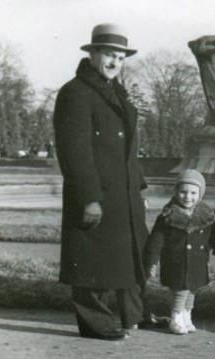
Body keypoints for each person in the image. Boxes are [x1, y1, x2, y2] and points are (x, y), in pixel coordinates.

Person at [53, 23, 149, 341]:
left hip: (123, 193)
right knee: (91, 260)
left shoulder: (116, 93)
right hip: (97, 194)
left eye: (120, 58)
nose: (115, 63)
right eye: (109, 55)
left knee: (125, 256)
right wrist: (89, 197)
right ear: (93, 54)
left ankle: (135, 316)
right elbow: (74, 152)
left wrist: (138, 187)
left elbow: (127, 148)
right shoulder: (75, 93)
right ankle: (97, 323)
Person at [143, 170, 215, 335]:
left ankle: (186, 315)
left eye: (193, 193)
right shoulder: (168, 215)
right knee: (181, 290)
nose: (188, 197)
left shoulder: (205, 215)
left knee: (192, 288)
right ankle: (176, 316)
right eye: (183, 192)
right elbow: (156, 240)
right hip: (176, 260)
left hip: (197, 260)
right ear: (176, 192)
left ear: (200, 194)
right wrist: (152, 260)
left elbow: (212, 236)